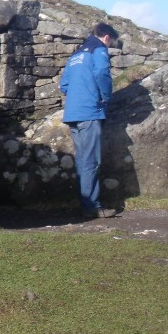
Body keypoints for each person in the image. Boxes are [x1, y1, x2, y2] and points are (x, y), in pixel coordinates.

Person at [59, 22, 120, 218]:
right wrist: (105, 96)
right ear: (107, 37)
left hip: (73, 113)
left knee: (83, 160)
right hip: (90, 112)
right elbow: (102, 73)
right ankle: (91, 206)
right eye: (111, 42)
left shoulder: (76, 55)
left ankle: (87, 203)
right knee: (91, 160)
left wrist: (79, 95)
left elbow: (64, 84)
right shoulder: (99, 50)